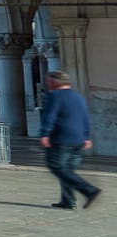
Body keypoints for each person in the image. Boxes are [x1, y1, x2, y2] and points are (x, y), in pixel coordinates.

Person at [39, 72, 100, 210]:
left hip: (61, 139)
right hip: (78, 140)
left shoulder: (54, 96)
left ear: (55, 82)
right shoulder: (78, 97)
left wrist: (45, 134)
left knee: (57, 167)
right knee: (67, 171)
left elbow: (49, 117)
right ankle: (68, 201)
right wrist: (86, 137)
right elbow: (86, 118)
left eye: (49, 81)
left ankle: (89, 190)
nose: (47, 83)